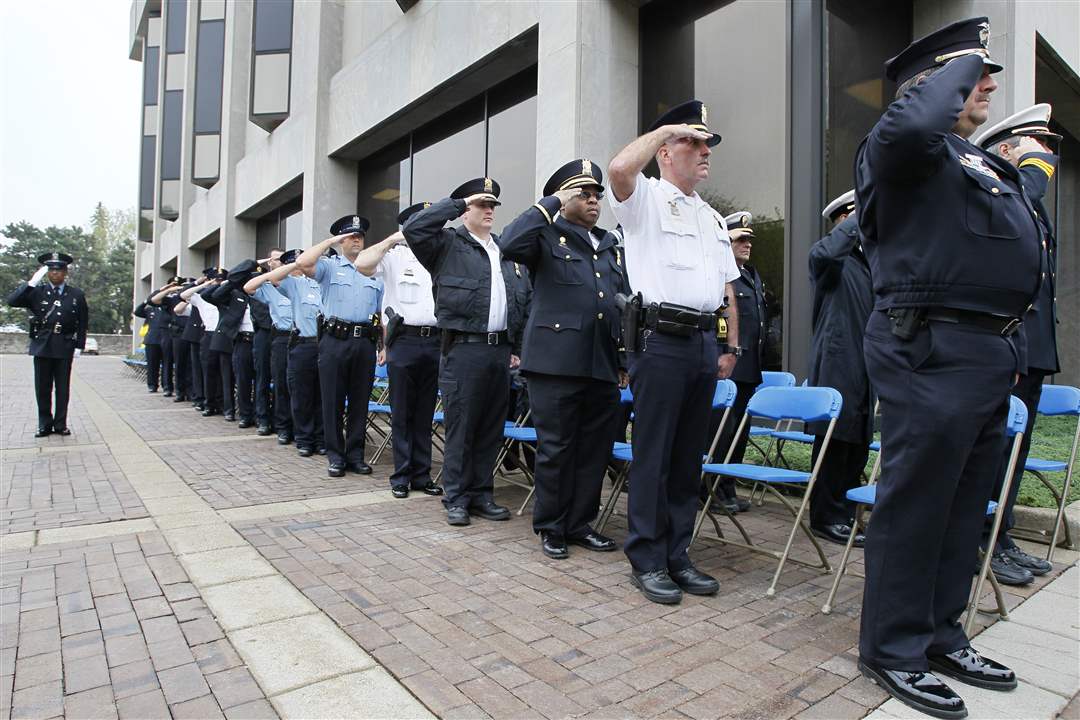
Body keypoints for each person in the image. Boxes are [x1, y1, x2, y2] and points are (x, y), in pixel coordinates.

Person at [854, 18, 1038, 716]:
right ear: (930, 85)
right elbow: (912, 124)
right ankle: (893, 648)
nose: (987, 80)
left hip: (989, 348)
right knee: (919, 501)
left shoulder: (973, 158)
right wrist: (955, 65)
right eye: (974, 70)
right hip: (928, 345)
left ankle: (940, 633)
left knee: (965, 505)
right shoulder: (901, 147)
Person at [607, 100, 741, 605]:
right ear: (664, 152)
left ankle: (677, 554)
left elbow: (725, 288)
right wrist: (666, 126)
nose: (705, 151)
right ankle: (646, 558)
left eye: (708, 144)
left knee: (688, 459)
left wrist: (729, 342)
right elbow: (619, 167)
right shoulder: (644, 198)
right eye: (694, 142)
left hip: (702, 344)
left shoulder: (711, 218)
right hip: (660, 341)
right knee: (654, 454)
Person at [498, 159, 627, 559]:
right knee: (556, 448)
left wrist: (622, 359)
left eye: (596, 195)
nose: (593, 201)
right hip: (554, 364)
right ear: (565, 197)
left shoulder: (609, 245)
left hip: (601, 362)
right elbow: (508, 243)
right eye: (583, 194)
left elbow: (617, 305)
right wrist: (549, 203)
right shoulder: (545, 236)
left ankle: (580, 523)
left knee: (594, 449)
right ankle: (551, 526)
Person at [402, 178, 531, 527]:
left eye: (492, 205)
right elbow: (413, 227)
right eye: (481, 204)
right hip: (464, 349)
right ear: (466, 209)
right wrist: (457, 203)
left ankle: (481, 493)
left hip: (499, 352)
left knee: (490, 426)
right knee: (462, 426)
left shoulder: (505, 249)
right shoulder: (445, 245)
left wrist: (516, 347)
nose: (488, 210)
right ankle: (456, 497)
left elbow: (523, 300)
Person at [973, 104, 1062, 585]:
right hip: (1009, 346)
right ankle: (982, 537)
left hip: (1032, 347)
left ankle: (1000, 535)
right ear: (1005, 151)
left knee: (1015, 450)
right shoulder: (1006, 197)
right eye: (1034, 145)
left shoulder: (1031, 201)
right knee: (996, 448)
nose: (1045, 155)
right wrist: (1028, 173)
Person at [353, 203, 444, 499]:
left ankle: (422, 474)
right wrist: (393, 239)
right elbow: (361, 264)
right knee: (403, 410)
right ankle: (402, 475)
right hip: (403, 340)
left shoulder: (439, 255)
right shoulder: (393, 256)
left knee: (425, 412)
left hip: (435, 340)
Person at [806, 191, 872, 547]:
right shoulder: (831, 259)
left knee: (857, 441)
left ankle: (845, 512)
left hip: (866, 363)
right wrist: (862, 214)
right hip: (838, 359)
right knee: (836, 440)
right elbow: (827, 251)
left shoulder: (867, 262)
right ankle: (825, 516)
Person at [296, 217, 384, 478]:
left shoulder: (374, 271)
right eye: (350, 235)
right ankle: (335, 455)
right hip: (334, 341)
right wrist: (330, 242)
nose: (356, 239)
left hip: (364, 342)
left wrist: (384, 345)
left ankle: (356, 455)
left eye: (360, 235)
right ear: (340, 240)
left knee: (359, 402)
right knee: (332, 401)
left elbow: (381, 313)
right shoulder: (329, 267)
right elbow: (302, 263)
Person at [704, 211, 767, 515]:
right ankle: (712, 491)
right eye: (740, 239)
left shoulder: (752, 276)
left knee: (739, 435)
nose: (747, 244)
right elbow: (721, 319)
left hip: (749, 369)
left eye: (749, 239)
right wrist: (722, 354)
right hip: (728, 367)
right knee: (721, 433)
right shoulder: (721, 275)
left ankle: (728, 487)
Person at [252, 250, 325, 456]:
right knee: (298, 393)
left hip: (324, 344)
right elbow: (255, 284)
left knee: (321, 394)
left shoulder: (319, 283)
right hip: (298, 342)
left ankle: (320, 439)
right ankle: (303, 438)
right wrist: (293, 265)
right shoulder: (292, 284)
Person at [7, 252, 88, 437]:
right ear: (46, 273)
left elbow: (82, 321)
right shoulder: (36, 291)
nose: (55, 274)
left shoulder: (76, 294)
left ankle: (60, 424)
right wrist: (31, 283)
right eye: (51, 270)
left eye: (59, 270)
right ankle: (44, 423)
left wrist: (79, 345)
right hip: (43, 344)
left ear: (65, 272)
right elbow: (12, 301)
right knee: (42, 387)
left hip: (65, 344)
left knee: (62, 388)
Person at [245, 250, 296, 445]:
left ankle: (299, 428)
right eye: (279, 260)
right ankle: (280, 425)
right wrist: (266, 270)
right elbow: (245, 285)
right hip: (278, 337)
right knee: (279, 384)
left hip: (304, 338)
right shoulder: (268, 287)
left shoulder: (302, 284)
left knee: (299, 387)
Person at [181, 274, 225, 417]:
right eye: (214, 280)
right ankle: (209, 403)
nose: (216, 283)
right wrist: (203, 285)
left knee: (223, 372)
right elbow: (184, 294)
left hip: (223, 335)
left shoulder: (226, 295)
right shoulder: (200, 298)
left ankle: (223, 404)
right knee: (208, 372)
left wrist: (222, 285)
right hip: (208, 335)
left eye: (219, 280)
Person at [159, 278, 193, 403]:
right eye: (183, 286)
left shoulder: (197, 299)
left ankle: (191, 392)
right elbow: (154, 299)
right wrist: (168, 288)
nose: (185, 289)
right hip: (178, 333)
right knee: (180, 364)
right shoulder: (174, 299)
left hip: (193, 334)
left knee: (191, 365)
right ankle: (180, 391)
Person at [134, 285, 171, 394]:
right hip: (152, 340)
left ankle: (167, 387)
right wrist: (147, 300)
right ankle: (152, 385)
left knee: (167, 364)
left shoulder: (169, 308)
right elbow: (137, 311)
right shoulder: (150, 309)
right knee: (152, 364)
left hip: (166, 338)